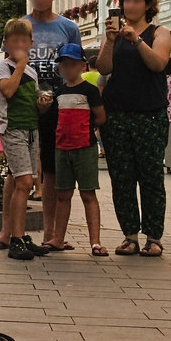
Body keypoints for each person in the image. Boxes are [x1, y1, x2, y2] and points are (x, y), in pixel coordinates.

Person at [98, 0, 171, 256]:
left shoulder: (159, 32)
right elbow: (103, 68)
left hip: (150, 113)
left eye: (135, 1)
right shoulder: (114, 34)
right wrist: (110, 40)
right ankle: (130, 235)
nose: (129, 6)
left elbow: (158, 64)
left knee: (151, 177)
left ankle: (154, 236)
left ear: (147, 5)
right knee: (122, 178)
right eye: (126, 1)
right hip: (117, 114)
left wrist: (137, 40)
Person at [22, 0, 83, 254]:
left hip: (60, 104)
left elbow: (76, 65)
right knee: (28, 169)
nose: (40, 0)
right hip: (27, 103)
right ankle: (36, 232)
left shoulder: (68, 27)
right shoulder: (21, 26)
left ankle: (55, 233)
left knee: (54, 171)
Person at [0, 18, 45, 261]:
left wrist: (42, 101)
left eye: (24, 41)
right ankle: (17, 238)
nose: (19, 45)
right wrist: (19, 65)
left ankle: (13, 233)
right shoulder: (4, 67)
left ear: (30, 43)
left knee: (19, 178)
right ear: (6, 44)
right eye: (14, 41)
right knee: (24, 183)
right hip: (14, 130)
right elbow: (7, 91)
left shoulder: (31, 70)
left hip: (31, 129)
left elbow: (32, 98)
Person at [52, 43, 107, 256]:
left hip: (84, 147)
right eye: (64, 64)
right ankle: (58, 238)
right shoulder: (59, 91)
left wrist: (91, 131)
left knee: (88, 194)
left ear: (82, 66)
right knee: (62, 194)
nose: (68, 68)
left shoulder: (89, 90)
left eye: (72, 64)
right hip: (62, 148)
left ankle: (95, 241)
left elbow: (100, 116)